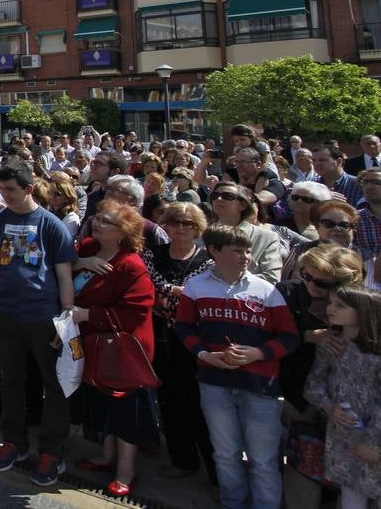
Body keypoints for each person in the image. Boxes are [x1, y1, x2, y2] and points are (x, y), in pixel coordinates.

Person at [175, 224, 299, 509]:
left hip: (259, 385)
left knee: (263, 458)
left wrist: (259, 353)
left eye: (248, 251)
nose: (246, 257)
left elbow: (289, 336)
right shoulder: (196, 286)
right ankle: (233, 503)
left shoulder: (266, 290)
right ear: (215, 251)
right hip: (214, 381)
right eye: (238, 251)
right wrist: (204, 354)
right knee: (225, 453)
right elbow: (184, 327)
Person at [0, 161, 78, 486]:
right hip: (4, 316)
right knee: (11, 380)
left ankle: (51, 451)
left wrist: (66, 320)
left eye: (11, 191)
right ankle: (13, 441)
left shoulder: (51, 225)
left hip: (43, 317)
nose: (4, 196)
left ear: (29, 189)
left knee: (54, 384)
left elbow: (64, 275)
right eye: (1, 189)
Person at [70, 200, 157, 498]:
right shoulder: (87, 248)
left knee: (124, 413)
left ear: (122, 232)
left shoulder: (131, 265)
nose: (97, 223)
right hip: (91, 345)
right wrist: (79, 264)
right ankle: (106, 458)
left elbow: (134, 313)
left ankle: (125, 471)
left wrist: (87, 315)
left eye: (106, 222)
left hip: (122, 353)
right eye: (98, 218)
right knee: (103, 405)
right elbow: (64, 270)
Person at [278, 244, 363, 509]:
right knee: (303, 470)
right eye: (307, 275)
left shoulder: (363, 307)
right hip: (300, 392)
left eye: (322, 282)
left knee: (349, 479)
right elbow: (266, 336)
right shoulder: (287, 293)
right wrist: (306, 337)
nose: (312, 284)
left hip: (349, 407)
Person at [141, 201, 215, 482]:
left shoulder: (207, 260)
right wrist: (176, 291)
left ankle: (214, 470)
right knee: (169, 402)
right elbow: (148, 288)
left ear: (198, 228)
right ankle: (181, 459)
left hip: (195, 339)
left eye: (189, 224)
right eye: (176, 222)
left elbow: (201, 295)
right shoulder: (154, 254)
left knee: (199, 405)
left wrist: (168, 291)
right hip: (160, 335)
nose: (182, 228)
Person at [305, 284, 381, 509]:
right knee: (351, 494)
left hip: (375, 438)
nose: (331, 308)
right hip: (344, 436)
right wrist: (330, 408)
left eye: (340, 305)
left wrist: (373, 443)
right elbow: (313, 384)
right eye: (331, 303)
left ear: (362, 311)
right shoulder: (332, 344)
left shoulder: (376, 352)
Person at [207, 182, 281, 283]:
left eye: (227, 196)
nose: (218, 199)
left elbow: (272, 277)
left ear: (242, 205)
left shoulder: (267, 238)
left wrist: (227, 282)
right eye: (215, 196)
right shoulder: (201, 235)